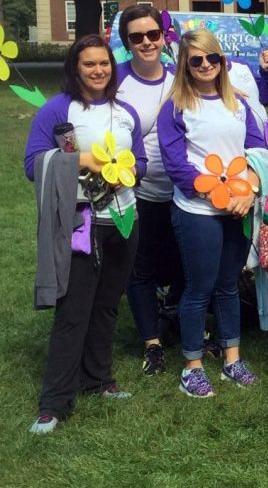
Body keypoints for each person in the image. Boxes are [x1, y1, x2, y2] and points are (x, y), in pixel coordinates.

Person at [24, 34, 147, 434]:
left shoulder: (125, 111)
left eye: (104, 64)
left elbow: (141, 159)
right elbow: (32, 163)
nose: (98, 71)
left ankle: (98, 379)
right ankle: (54, 403)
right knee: (73, 311)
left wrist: (128, 172)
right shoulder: (58, 110)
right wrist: (84, 160)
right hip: (81, 225)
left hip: (124, 220)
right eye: (89, 64)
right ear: (75, 69)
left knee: (108, 305)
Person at [157, 29, 266, 398]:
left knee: (228, 286)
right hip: (197, 212)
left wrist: (248, 188)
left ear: (222, 61)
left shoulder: (239, 103)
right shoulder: (176, 107)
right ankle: (193, 366)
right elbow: (176, 166)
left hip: (240, 207)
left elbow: (259, 150)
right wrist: (222, 196)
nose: (205, 65)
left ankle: (232, 359)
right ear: (185, 66)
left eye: (212, 58)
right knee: (198, 289)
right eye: (196, 60)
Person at [114, 5, 181, 376]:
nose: (146, 42)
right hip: (135, 193)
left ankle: (175, 316)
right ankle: (151, 343)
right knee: (138, 269)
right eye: (136, 37)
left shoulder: (179, 78)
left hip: (182, 193)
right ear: (127, 42)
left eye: (152, 35)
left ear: (163, 36)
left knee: (184, 264)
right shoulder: (115, 80)